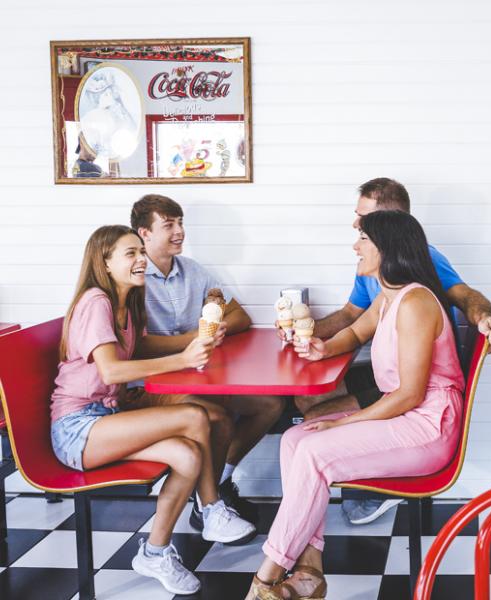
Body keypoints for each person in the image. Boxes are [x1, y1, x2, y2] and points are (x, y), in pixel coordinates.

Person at [247, 210, 464, 600]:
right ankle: (310, 571)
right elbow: (354, 332)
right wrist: (322, 347)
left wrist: (345, 423)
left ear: (386, 248)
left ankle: (265, 578)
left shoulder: (416, 303)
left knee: (314, 450)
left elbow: (410, 394)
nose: (355, 247)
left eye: (363, 239)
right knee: (295, 439)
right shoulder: (390, 296)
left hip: (429, 427)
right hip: (408, 416)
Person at [290, 177, 491, 525]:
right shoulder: (372, 265)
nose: (354, 226)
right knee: (309, 407)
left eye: (362, 220)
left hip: (417, 384)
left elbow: (464, 294)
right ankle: (349, 482)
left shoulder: (418, 260)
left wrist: (486, 317)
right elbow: (352, 316)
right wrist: (308, 337)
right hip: (391, 372)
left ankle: (374, 485)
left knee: (319, 415)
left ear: (390, 226)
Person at [50, 225, 256, 596]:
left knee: (188, 452)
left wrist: (198, 339)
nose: (142, 260)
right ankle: (211, 509)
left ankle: (154, 552)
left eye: (140, 252)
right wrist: (182, 358)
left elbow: (142, 348)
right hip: (77, 429)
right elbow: (111, 370)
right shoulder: (96, 301)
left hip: (108, 416)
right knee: (195, 416)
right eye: (130, 254)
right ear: (105, 261)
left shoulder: (127, 302)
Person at [125, 194, 286, 528]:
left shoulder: (192, 271)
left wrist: (218, 327)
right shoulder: (133, 278)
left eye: (181, 223)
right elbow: (135, 347)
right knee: (218, 418)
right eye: (168, 224)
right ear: (144, 233)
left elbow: (238, 314)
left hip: (195, 376)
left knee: (270, 405)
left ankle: (215, 480)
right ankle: (209, 501)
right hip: (149, 386)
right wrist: (194, 341)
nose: (179, 231)